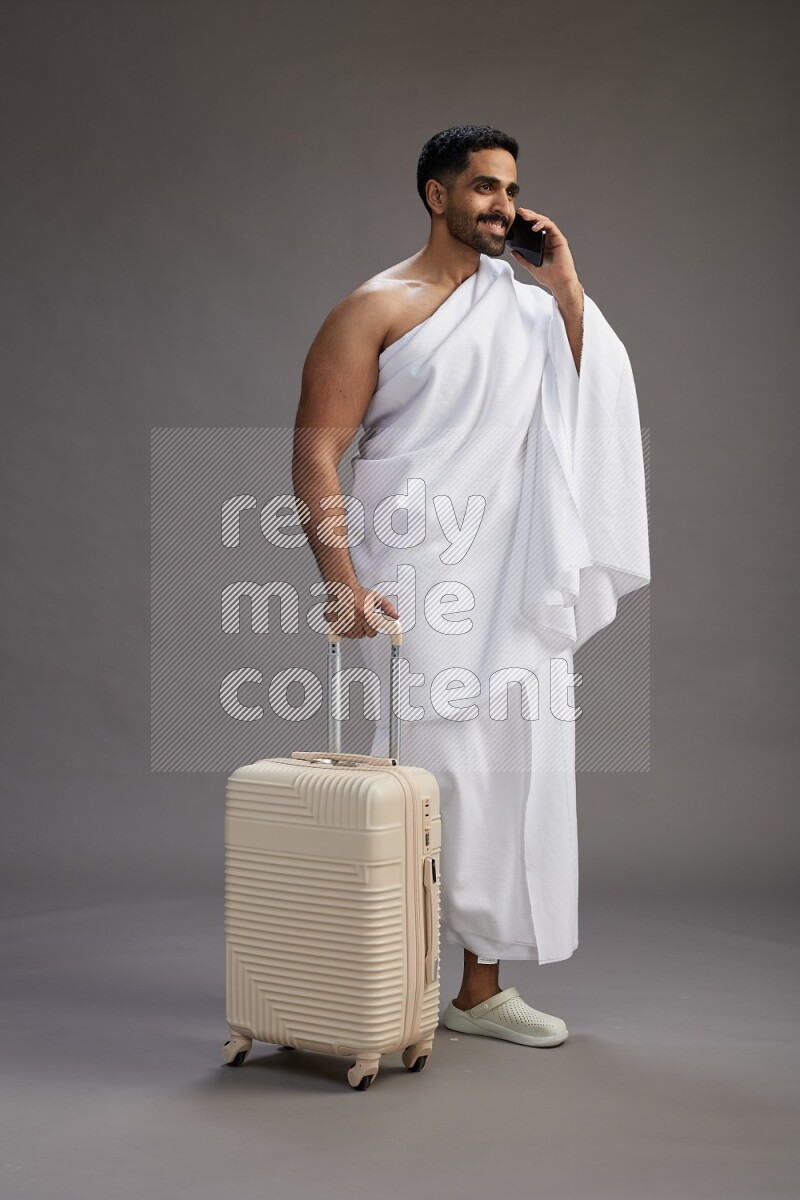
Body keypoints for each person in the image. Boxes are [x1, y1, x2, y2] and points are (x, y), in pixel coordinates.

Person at [291, 125, 650, 1048]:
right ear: (434, 195)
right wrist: (342, 581)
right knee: (430, 773)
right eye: (484, 187)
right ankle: (390, 978)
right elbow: (317, 452)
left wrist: (562, 280)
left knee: (515, 772)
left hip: (516, 568)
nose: (503, 204)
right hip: (421, 574)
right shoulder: (373, 308)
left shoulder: (528, 304)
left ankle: (479, 990)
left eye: (511, 188)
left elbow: (588, 386)